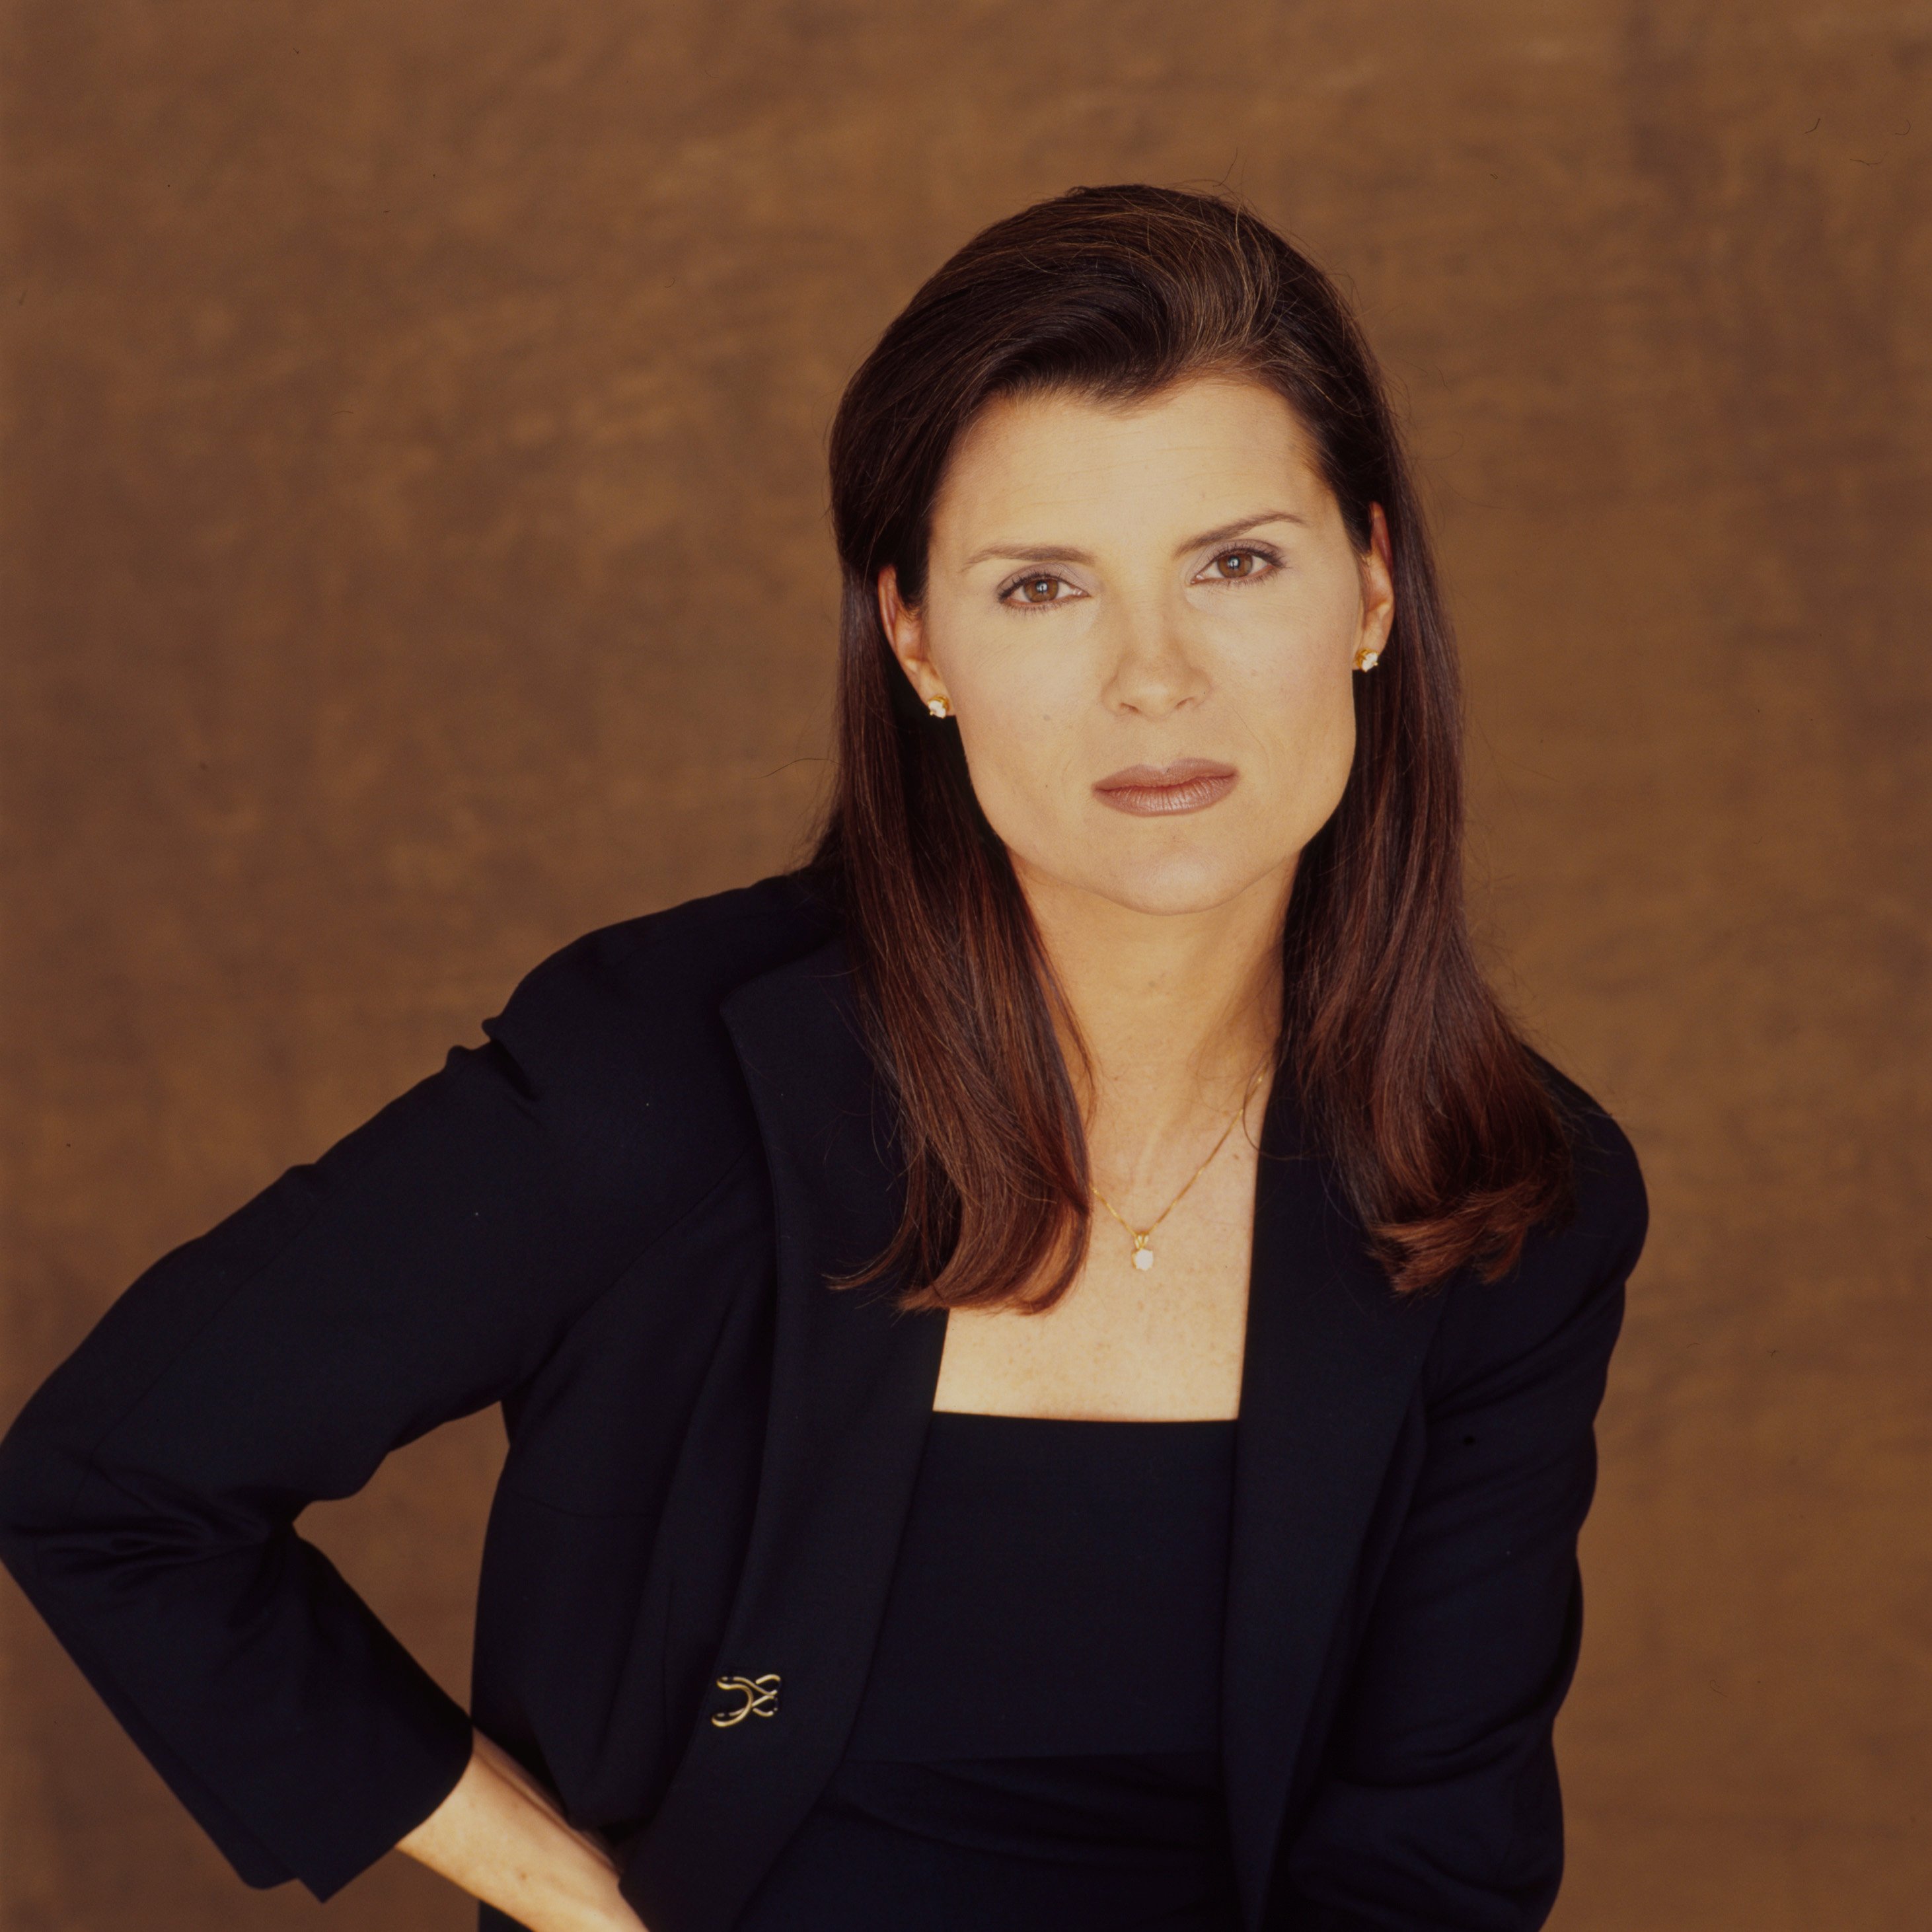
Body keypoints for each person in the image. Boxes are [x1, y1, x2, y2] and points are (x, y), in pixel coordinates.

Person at [0, 183, 1646, 1932]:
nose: (1153, 678)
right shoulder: (663, 1079)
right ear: (918, 640)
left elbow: (1426, 1867)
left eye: (1235, 562)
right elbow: (115, 1483)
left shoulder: (1505, 1186)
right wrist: (567, 1895)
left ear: (1371, 589)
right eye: (1040, 586)